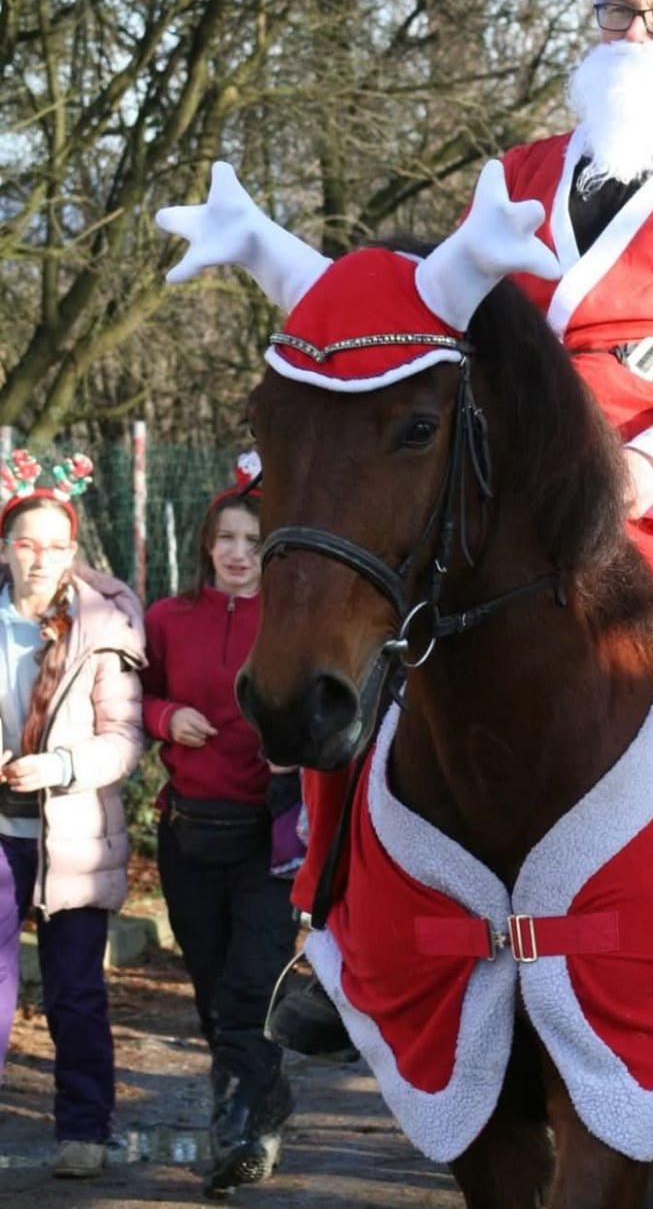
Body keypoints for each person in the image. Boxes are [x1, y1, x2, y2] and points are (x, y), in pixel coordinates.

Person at [155, 0, 653, 1081]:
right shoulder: (518, 168)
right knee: (356, 627)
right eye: (618, 12)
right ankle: (327, 923)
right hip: (505, 475)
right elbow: (442, 325)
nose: (637, 35)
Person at [140, 467, 302, 1195]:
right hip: (189, 834)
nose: (238, 554)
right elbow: (132, 696)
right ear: (207, 546)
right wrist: (165, 718)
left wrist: (290, 745)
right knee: (212, 993)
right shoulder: (167, 618)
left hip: (266, 837)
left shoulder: (295, 619)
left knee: (248, 990)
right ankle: (260, 1099)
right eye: (226, 540)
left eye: (254, 542)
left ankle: (239, 1132)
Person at [0, 450, 145, 1179]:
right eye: (26, 543)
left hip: (74, 835)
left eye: (55, 546)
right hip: (0, 833)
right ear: (5, 547)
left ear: (73, 553)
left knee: (76, 994)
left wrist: (56, 767)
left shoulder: (102, 627)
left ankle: (84, 1129)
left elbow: (123, 739)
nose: (40, 559)